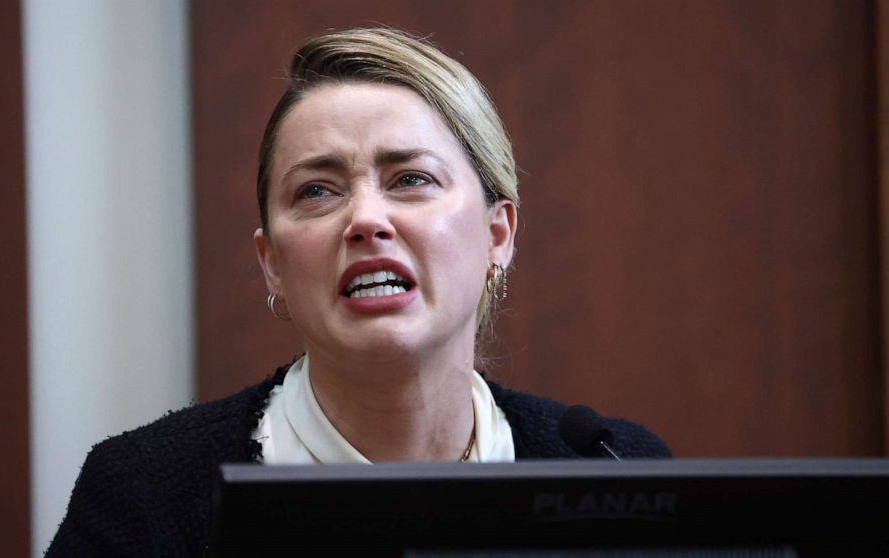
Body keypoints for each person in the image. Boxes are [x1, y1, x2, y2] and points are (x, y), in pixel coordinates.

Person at [46, 27, 670, 557]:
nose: (367, 220)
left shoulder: (619, 472)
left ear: (497, 235)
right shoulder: (145, 494)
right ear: (271, 265)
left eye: (411, 179)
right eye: (317, 191)